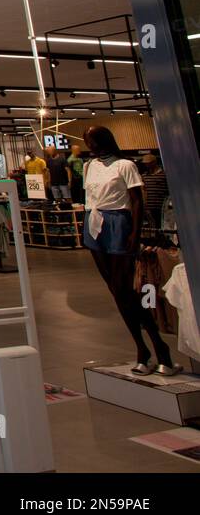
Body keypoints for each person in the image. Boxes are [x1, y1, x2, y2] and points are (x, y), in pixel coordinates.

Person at [81, 126, 180, 376]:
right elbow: (90, 197)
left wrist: (134, 233)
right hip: (94, 224)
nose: (88, 145)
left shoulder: (125, 165)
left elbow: (136, 200)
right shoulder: (89, 166)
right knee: (116, 291)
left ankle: (155, 347)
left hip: (119, 223)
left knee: (125, 289)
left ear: (102, 140)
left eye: (91, 140)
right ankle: (145, 348)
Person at [138, 153, 169, 229]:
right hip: (148, 208)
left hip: (162, 207)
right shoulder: (144, 176)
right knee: (152, 228)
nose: (147, 165)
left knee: (161, 227)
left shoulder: (164, 175)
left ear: (154, 162)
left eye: (149, 163)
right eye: (146, 164)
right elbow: (143, 191)